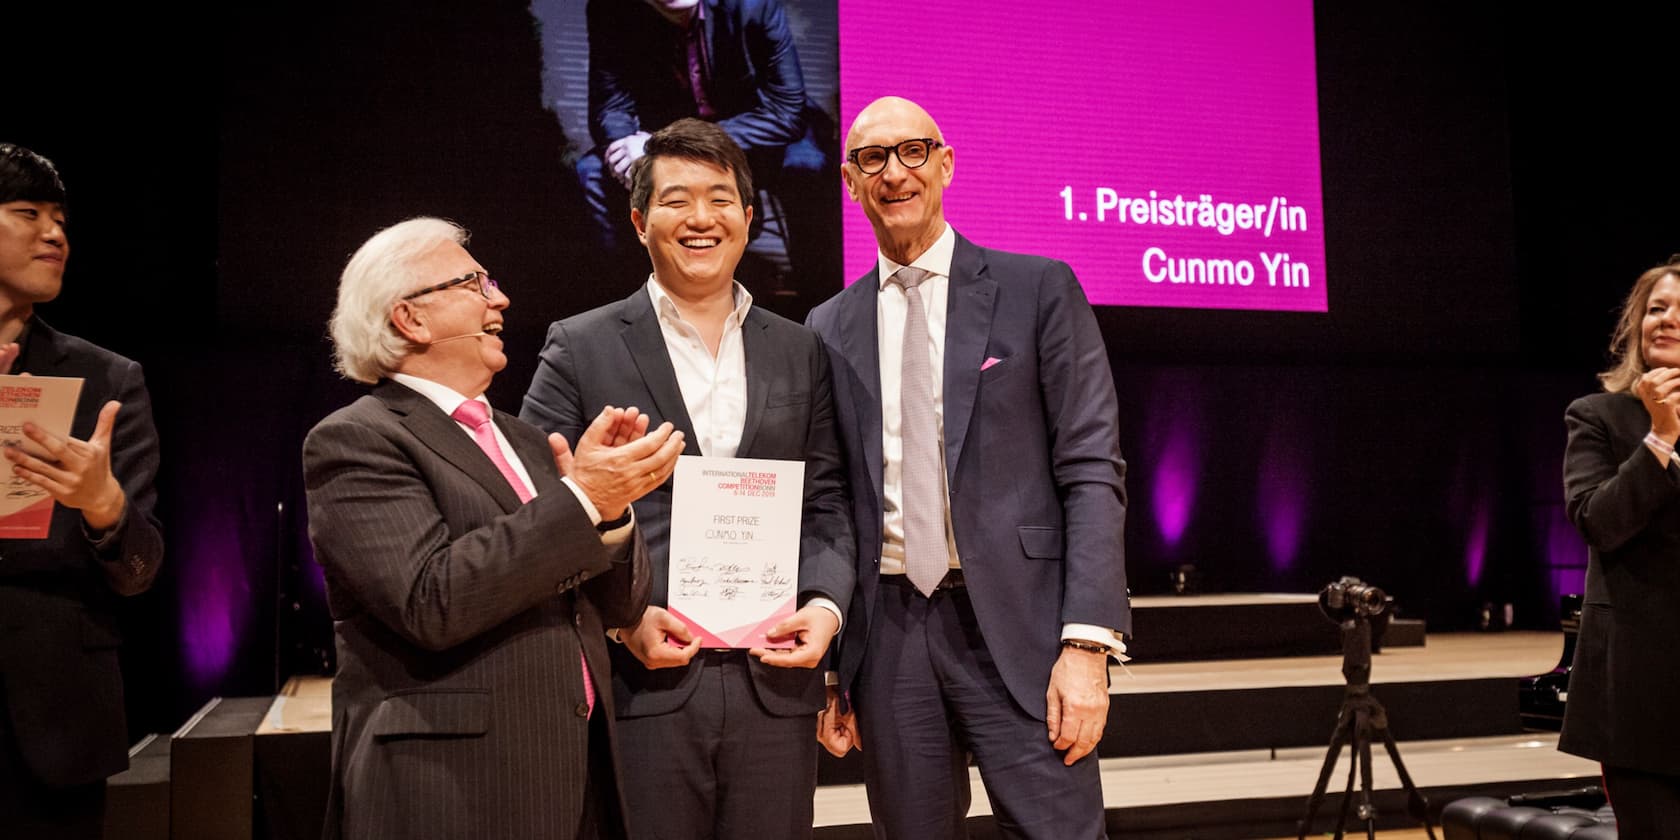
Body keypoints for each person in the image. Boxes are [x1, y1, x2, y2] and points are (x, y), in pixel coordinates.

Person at [803, 97, 1130, 839]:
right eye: (872, 159)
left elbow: (1091, 470)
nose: (894, 172)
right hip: (887, 636)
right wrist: (835, 668)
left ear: (945, 165)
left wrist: (1086, 645)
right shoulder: (827, 327)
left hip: (1023, 629)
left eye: (913, 151)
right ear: (851, 184)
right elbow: (827, 500)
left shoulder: (1038, 289)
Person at [522, 118, 854, 839]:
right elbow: (535, 508)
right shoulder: (580, 346)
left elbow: (826, 501)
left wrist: (826, 608)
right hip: (643, 680)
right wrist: (619, 619)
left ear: (749, 215)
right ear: (639, 221)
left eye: (719, 198)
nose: (701, 218)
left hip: (778, 683)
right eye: (676, 201)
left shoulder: (801, 350)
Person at [304, 217, 683, 839]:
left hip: (572, 777)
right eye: (474, 283)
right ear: (411, 319)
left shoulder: (528, 441)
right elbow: (431, 600)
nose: (499, 298)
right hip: (451, 789)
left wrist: (610, 511)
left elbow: (616, 605)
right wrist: (583, 497)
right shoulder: (358, 439)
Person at [0, 144, 164, 840]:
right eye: (27, 213)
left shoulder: (107, 380)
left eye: (61, 219)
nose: (56, 234)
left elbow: (140, 571)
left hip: (54, 720)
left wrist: (104, 506)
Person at [577, 0, 836, 285]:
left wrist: (669, 147)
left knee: (808, 165)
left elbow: (785, 111)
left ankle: (815, 306)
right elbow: (611, 108)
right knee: (593, 173)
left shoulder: (753, 5)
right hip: (665, 138)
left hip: (758, 140)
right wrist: (632, 155)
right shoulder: (611, 10)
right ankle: (635, 305)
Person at [1560, 256, 1680, 835]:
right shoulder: (1598, 416)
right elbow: (1597, 521)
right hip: (1639, 691)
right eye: (1656, 309)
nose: (1667, 320)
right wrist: (1659, 436)